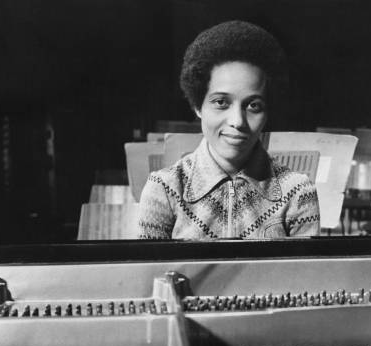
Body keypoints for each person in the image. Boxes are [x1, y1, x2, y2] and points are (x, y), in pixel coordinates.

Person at [137, 20, 320, 240]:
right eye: (221, 102)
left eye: (253, 105)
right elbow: (151, 274)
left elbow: (304, 275)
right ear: (198, 105)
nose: (237, 121)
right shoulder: (164, 189)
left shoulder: (298, 191)